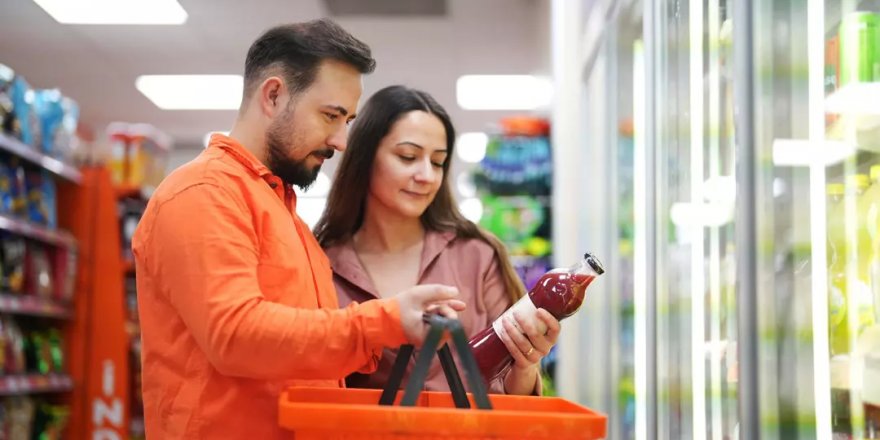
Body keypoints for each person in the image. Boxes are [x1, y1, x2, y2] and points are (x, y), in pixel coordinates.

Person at [132, 21, 464, 439]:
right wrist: (382, 320)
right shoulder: (202, 193)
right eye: (330, 116)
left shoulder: (282, 210)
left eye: (348, 120)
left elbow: (300, 352)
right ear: (273, 95)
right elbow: (234, 335)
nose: (342, 140)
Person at [314, 85, 560, 396]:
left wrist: (526, 363)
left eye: (438, 161)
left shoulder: (478, 256)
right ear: (364, 157)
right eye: (408, 156)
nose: (427, 175)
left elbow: (512, 393)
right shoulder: (320, 262)